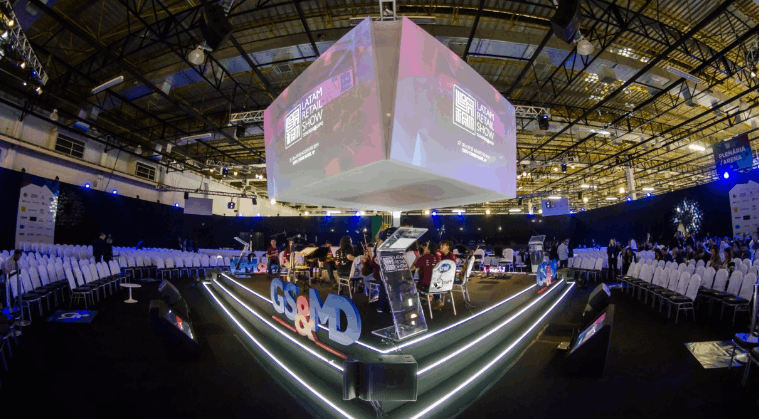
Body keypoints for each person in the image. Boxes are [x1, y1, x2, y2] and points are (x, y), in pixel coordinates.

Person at [413, 242, 443, 310]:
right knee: (434, 284)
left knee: (417, 285)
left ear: (429, 249)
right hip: (437, 283)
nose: (424, 248)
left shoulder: (423, 258)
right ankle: (438, 300)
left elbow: (413, 268)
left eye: (426, 247)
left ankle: (422, 300)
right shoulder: (438, 257)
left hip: (425, 284)